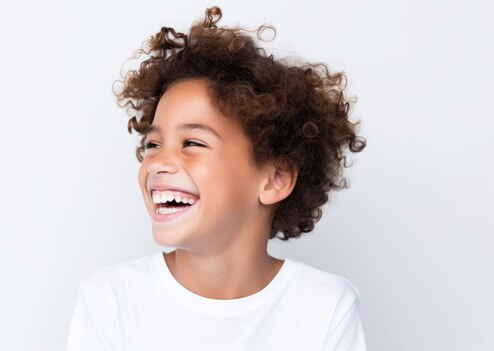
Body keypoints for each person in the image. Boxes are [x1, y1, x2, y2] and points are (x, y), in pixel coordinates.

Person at [66, 5, 367, 350]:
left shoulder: (325, 307)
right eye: (153, 144)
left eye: (192, 142)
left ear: (274, 179)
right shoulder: (109, 301)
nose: (158, 163)